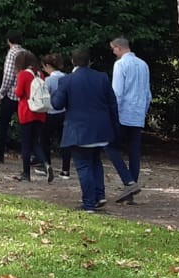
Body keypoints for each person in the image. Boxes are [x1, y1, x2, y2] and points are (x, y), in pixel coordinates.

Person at [53, 48, 139, 211]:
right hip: (101, 130)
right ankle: (99, 196)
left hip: (79, 131)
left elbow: (57, 104)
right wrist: (114, 127)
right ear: (90, 62)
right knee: (95, 162)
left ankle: (89, 203)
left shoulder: (67, 81)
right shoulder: (101, 78)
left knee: (84, 165)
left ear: (72, 62)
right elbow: (112, 104)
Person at [109, 37, 152, 183]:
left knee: (111, 146)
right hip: (138, 113)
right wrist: (143, 111)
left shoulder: (120, 65)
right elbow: (147, 93)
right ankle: (133, 183)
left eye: (113, 49)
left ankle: (128, 180)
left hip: (123, 113)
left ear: (119, 48)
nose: (113, 52)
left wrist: (113, 112)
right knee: (134, 151)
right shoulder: (143, 65)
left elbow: (117, 93)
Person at [13, 49, 53, 182]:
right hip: (39, 113)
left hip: (26, 111)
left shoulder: (23, 75)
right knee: (35, 142)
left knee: (26, 144)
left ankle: (26, 173)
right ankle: (46, 163)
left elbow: (18, 93)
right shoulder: (40, 74)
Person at [0, 32, 25, 162]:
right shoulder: (25, 53)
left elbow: (8, 76)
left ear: (8, 41)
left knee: (3, 125)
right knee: (25, 125)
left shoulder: (12, 54)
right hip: (23, 94)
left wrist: (1, 94)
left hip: (11, 94)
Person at [40, 53, 70, 177]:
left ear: (47, 66)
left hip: (51, 112)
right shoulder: (67, 78)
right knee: (64, 141)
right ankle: (66, 169)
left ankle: (47, 165)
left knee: (45, 140)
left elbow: (45, 97)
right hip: (64, 112)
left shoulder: (48, 80)